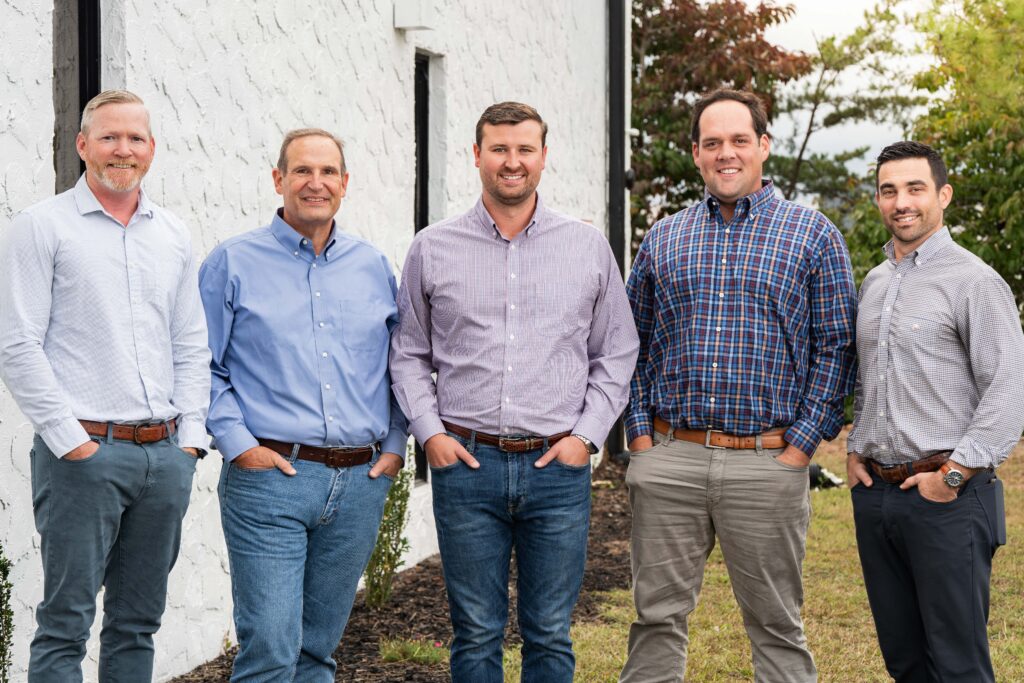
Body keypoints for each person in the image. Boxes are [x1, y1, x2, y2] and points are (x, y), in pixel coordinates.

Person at [389, 101, 638, 683]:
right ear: (476, 156)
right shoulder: (433, 247)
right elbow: (408, 352)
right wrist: (431, 435)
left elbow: (617, 351)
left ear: (543, 157)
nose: (512, 162)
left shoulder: (586, 246)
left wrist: (587, 437)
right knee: (474, 632)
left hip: (559, 468)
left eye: (525, 149)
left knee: (549, 633)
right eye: (499, 149)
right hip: (467, 465)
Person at [621, 88, 857, 683]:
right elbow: (630, 342)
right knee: (655, 618)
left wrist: (801, 445)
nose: (726, 154)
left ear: (764, 147)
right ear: (696, 154)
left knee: (777, 626)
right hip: (671, 457)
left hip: (768, 460)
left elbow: (837, 347)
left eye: (739, 141)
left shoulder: (813, 235)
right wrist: (641, 437)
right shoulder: (664, 236)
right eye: (712, 143)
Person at [0, 90, 210, 682]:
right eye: (110, 137)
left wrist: (189, 442)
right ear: (82, 145)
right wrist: (72, 443)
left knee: (137, 623)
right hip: (83, 458)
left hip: (163, 458)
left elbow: (191, 342)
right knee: (65, 624)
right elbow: (17, 344)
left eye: (135, 138)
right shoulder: (43, 227)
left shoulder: (171, 233)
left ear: (152, 149)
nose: (123, 150)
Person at [198, 128, 407, 682]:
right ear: (278, 180)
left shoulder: (373, 266)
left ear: (345, 183)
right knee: (269, 648)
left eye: (328, 172)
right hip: (272, 477)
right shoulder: (232, 262)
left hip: (361, 482)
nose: (316, 183)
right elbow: (202, 365)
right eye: (302, 172)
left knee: (317, 650)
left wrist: (392, 446)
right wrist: (241, 447)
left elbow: (398, 364)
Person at [846, 140, 1024, 683]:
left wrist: (953, 475)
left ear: (942, 195)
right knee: (904, 661)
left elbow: (1009, 389)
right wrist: (855, 447)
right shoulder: (874, 283)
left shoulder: (975, 281)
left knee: (958, 664)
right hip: (877, 497)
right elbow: (872, 376)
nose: (902, 201)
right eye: (889, 190)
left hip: (947, 498)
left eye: (915, 188)